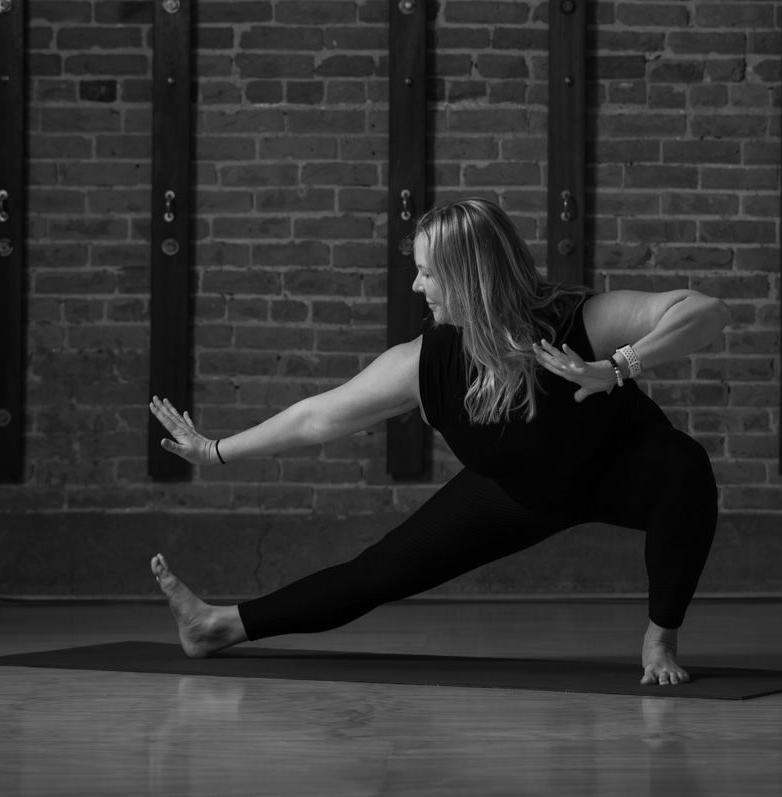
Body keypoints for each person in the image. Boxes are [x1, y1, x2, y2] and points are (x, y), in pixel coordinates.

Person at [147, 197, 729, 685]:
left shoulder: (580, 321)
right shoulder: (423, 364)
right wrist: (214, 450)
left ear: (470, 274)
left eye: (428, 271)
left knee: (685, 467)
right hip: (521, 493)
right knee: (380, 571)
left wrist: (618, 366)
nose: (416, 283)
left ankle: (660, 639)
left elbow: (703, 310)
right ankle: (217, 627)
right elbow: (316, 418)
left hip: (621, 474)